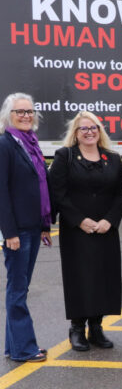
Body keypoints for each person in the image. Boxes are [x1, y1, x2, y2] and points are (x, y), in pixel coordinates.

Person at [49, 112, 122, 351]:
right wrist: (79, 220)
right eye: (84, 129)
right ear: (75, 133)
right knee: (80, 278)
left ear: (99, 130)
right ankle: (77, 328)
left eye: (93, 128)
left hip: (105, 229)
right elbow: (57, 192)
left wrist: (110, 220)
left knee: (105, 277)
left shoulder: (113, 158)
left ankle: (96, 327)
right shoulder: (65, 156)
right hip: (77, 230)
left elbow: (120, 192)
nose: (89, 132)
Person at [0, 92, 50, 363]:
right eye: (20, 112)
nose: (25, 116)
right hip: (17, 231)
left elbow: (40, 186)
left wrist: (45, 225)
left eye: (29, 111)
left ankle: (14, 346)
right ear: (9, 115)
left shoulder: (31, 143)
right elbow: (2, 193)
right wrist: (9, 233)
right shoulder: (5, 144)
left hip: (32, 227)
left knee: (21, 287)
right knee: (17, 290)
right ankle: (25, 348)